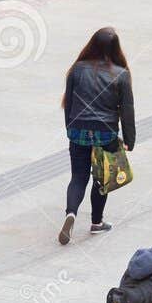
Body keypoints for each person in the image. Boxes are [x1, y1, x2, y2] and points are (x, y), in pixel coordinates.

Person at [59, 28, 135, 244]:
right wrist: (130, 138)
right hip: (106, 132)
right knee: (102, 177)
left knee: (78, 177)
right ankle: (96, 222)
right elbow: (127, 109)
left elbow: (69, 104)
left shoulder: (76, 69)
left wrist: (70, 128)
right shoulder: (121, 74)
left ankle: (71, 213)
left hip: (78, 129)